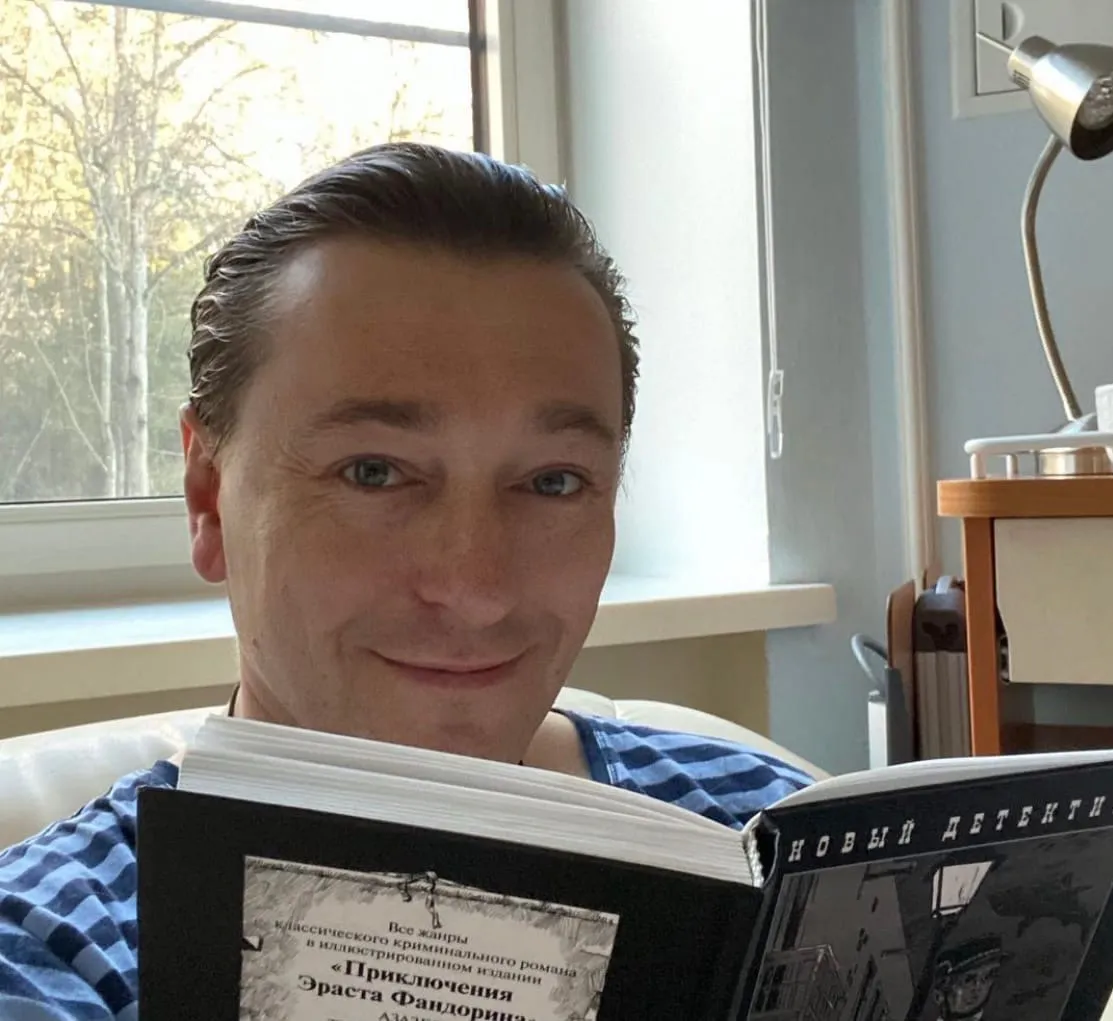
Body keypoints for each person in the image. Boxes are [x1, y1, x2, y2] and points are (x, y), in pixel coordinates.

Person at [0, 143, 812, 1019]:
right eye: (374, 473)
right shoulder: (51, 955)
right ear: (208, 499)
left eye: (552, 481)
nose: (476, 589)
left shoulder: (776, 842)